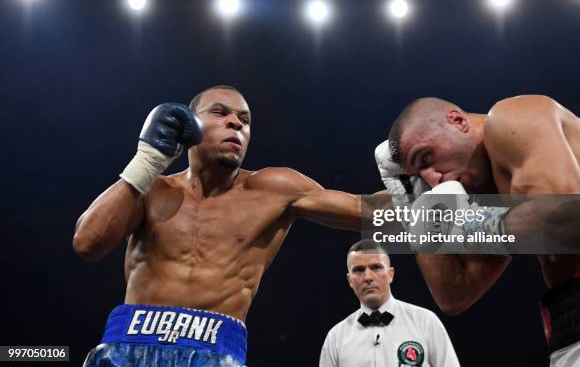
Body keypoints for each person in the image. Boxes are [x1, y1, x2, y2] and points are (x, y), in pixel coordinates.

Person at [73, 85, 363, 366]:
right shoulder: (152, 190)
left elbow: (366, 214)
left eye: (244, 120)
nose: (235, 123)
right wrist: (146, 161)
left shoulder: (273, 190)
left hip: (213, 350)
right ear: (190, 125)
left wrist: (402, 177)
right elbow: (87, 244)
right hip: (129, 346)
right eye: (220, 112)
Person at [375, 95, 580, 366]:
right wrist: (415, 206)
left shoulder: (513, 116)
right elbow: (454, 294)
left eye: (427, 157)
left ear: (457, 121)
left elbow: (567, 216)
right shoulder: (497, 199)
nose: (432, 179)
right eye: (419, 176)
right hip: (575, 331)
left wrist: (469, 223)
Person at [319, 239, 460, 367]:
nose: (368, 277)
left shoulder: (425, 322)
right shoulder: (336, 338)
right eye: (359, 270)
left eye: (376, 267)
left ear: (390, 274)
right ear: (350, 280)